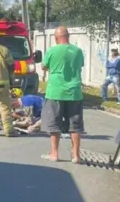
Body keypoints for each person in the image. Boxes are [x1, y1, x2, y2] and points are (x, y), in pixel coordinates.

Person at [41, 26, 85, 163]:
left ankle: (54, 154)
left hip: (55, 92)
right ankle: (76, 156)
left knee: (54, 124)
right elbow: (80, 65)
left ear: (56, 38)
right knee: (75, 125)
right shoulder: (78, 51)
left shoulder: (52, 51)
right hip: (74, 93)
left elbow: (43, 66)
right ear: (68, 36)